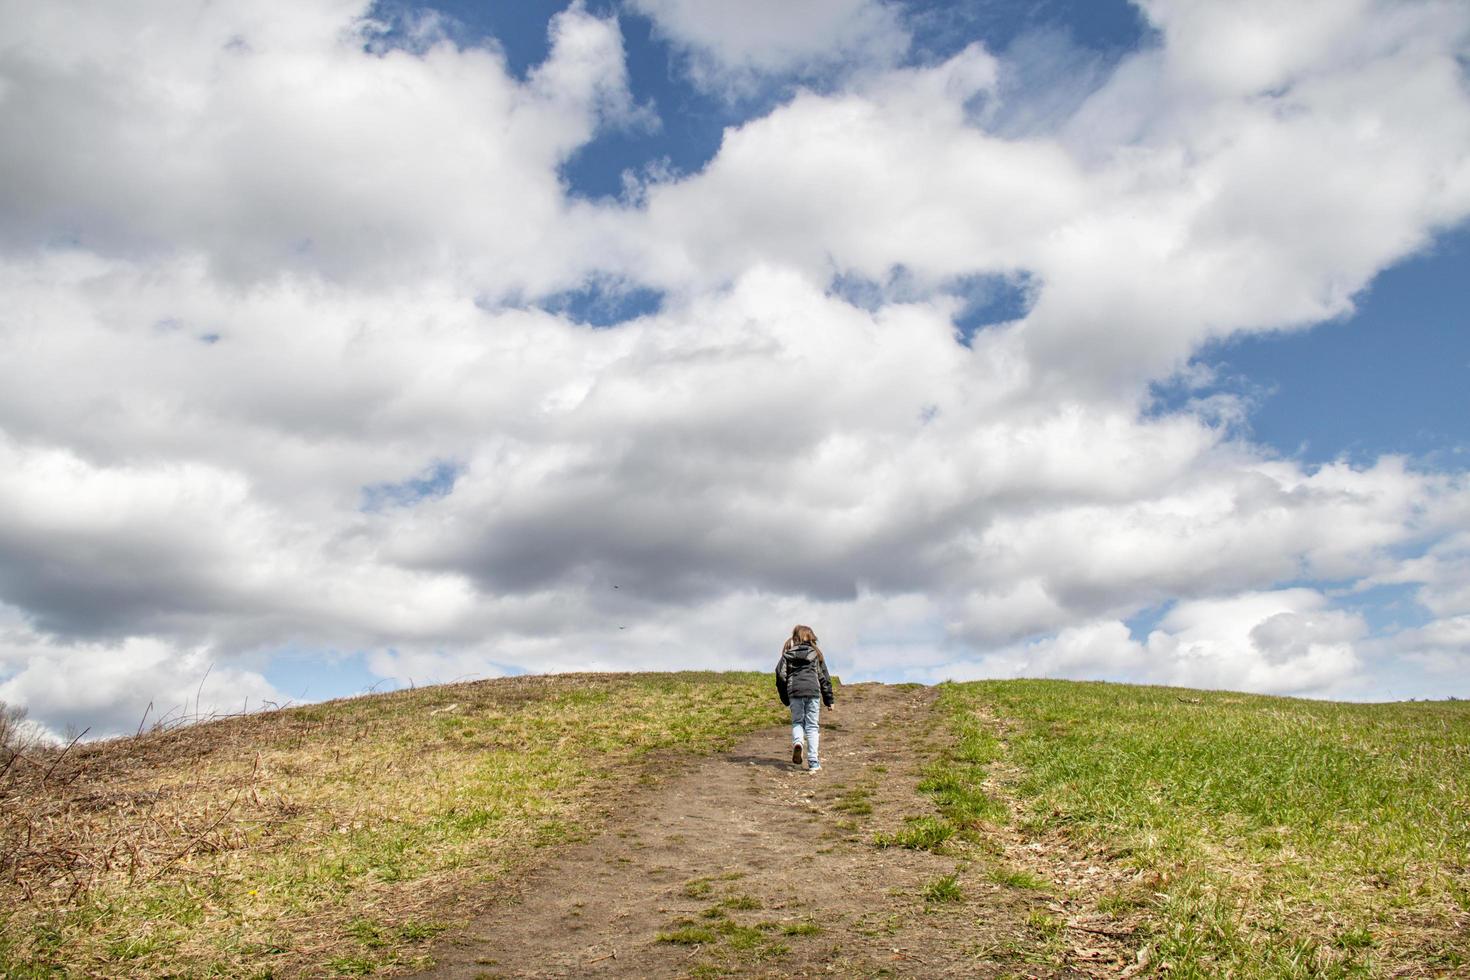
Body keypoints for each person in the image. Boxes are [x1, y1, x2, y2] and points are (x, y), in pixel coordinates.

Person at [775, 624, 834, 772]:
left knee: (797, 722)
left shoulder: (787, 655)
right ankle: (813, 762)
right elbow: (824, 678)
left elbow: (780, 676)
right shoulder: (816, 654)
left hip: (795, 692)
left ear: (795, 638)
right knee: (812, 727)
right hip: (813, 692)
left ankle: (798, 743)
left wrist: (785, 698)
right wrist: (829, 700)